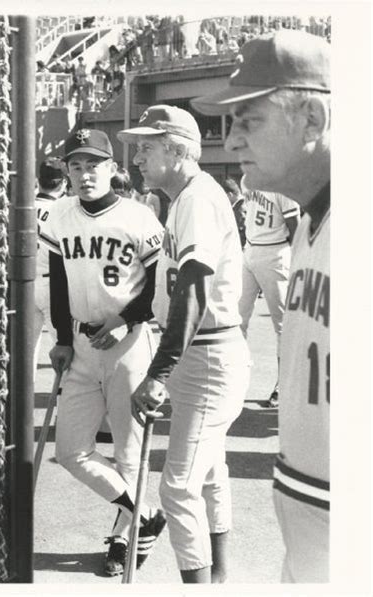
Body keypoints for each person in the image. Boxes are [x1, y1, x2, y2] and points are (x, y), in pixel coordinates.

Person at [192, 29, 330, 583]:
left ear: (313, 121)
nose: (230, 143)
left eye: (248, 120)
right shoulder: (314, 214)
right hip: (307, 524)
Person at [118, 106, 250, 584]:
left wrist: (157, 373)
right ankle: (219, 582)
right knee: (210, 472)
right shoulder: (187, 198)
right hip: (208, 351)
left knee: (176, 488)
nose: (136, 157)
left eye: (146, 146)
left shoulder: (195, 199)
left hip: (209, 354)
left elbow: (194, 289)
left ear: (177, 149)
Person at [38, 129, 166, 577]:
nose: (84, 173)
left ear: (112, 169)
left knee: (130, 453)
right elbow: (57, 279)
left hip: (129, 341)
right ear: (67, 172)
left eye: (94, 164)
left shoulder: (139, 217)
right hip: (82, 341)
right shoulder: (58, 215)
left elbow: (157, 286)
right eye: (76, 165)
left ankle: (123, 538)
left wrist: (126, 320)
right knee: (72, 451)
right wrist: (61, 338)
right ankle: (145, 513)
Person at [238, 177, 300, 408]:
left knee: (283, 325)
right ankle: (235, 376)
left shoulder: (283, 183)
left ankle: (284, 385)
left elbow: (295, 229)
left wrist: (298, 261)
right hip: (250, 250)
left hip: (275, 253)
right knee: (236, 319)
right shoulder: (247, 178)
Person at [34, 158, 68, 375]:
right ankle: (66, 405)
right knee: (66, 353)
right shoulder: (64, 210)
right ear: (64, 183)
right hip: (52, 286)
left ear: (38, 181)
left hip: (22, 285)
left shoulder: (20, 205)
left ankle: (20, 408)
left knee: (24, 356)